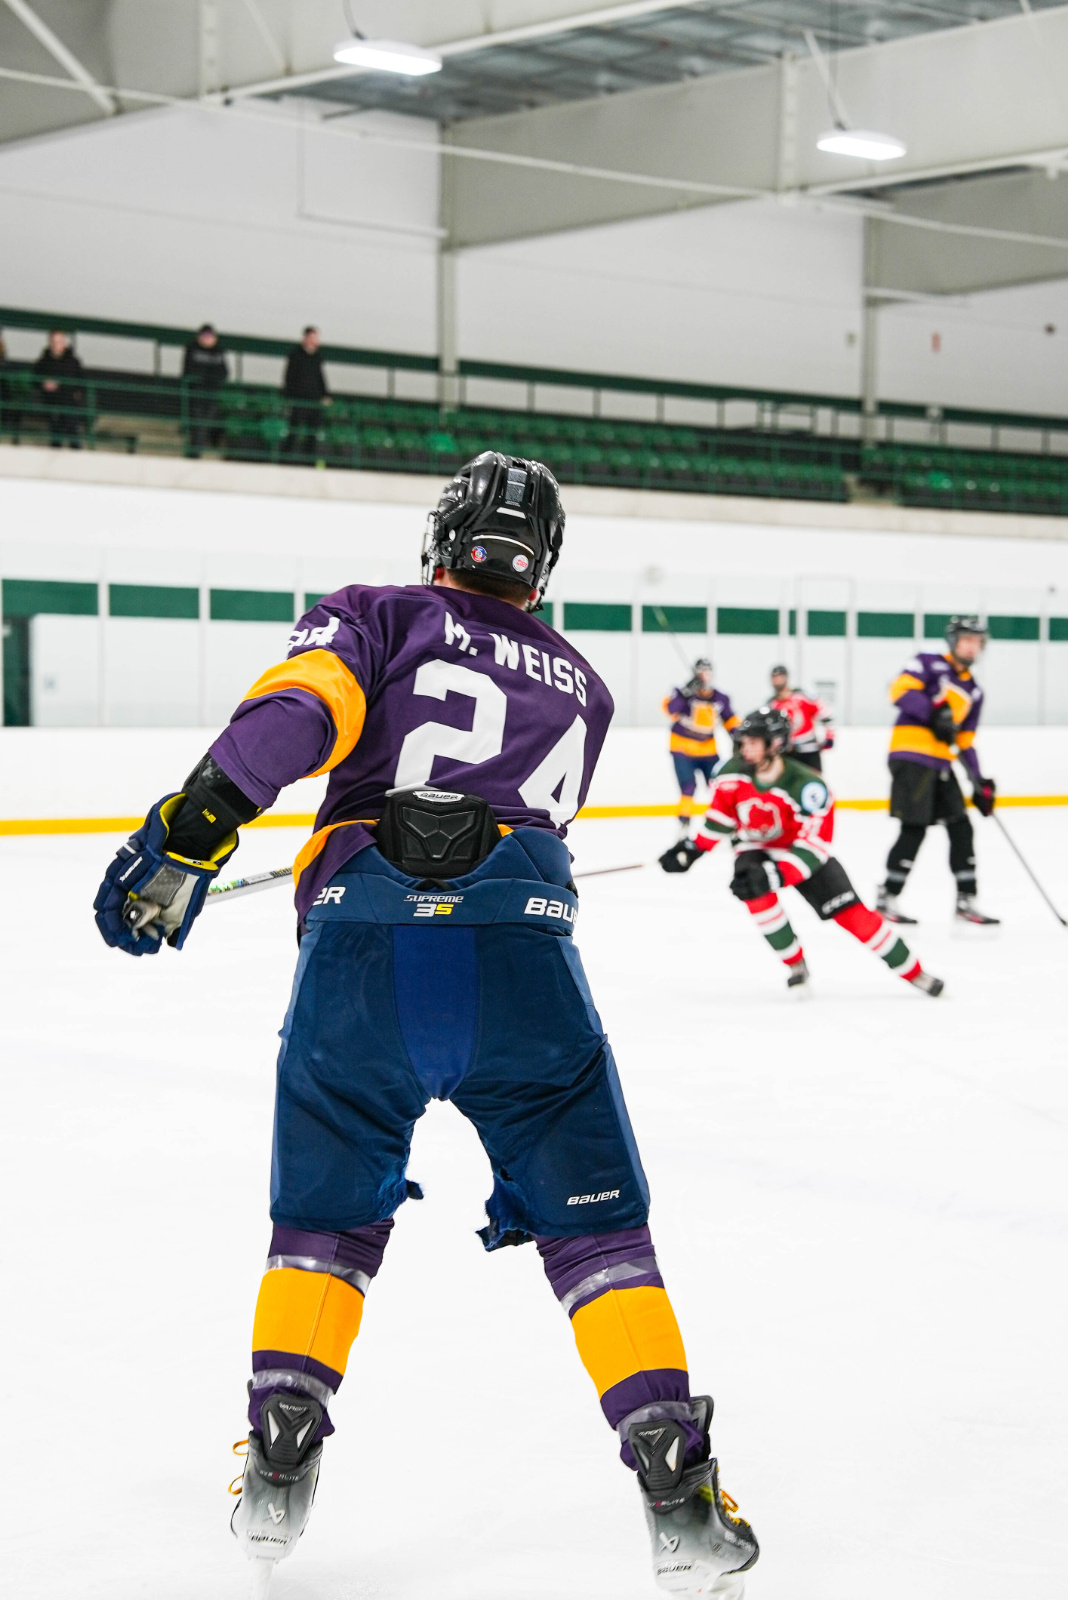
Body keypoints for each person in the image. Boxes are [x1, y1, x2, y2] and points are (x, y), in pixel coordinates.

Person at [93, 452, 759, 1599]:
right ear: (542, 568)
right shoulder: (586, 684)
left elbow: (302, 712)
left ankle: (280, 1456)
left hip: (363, 962)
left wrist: (198, 825)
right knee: (600, 1237)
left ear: (443, 538)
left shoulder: (380, 614)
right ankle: (677, 1489)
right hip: (527, 967)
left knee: (324, 1222)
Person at [660, 707, 944, 998]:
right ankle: (796, 965)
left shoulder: (808, 786)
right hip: (754, 848)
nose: (745, 748)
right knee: (753, 891)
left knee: (853, 916)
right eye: (743, 742)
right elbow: (722, 818)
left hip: (801, 853)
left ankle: (915, 972)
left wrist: (778, 874)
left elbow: (815, 845)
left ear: (775, 744)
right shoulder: (730, 774)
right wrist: (693, 848)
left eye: (753, 742)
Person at [877, 616, 998, 926]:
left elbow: (965, 741)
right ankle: (887, 896)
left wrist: (978, 781)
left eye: (977, 642)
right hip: (911, 756)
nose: (971, 647)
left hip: (941, 763)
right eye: (966, 640)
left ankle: (966, 900)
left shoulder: (974, 691)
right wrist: (933, 712)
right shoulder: (928, 662)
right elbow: (900, 690)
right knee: (914, 826)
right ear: (953, 640)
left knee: (961, 826)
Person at [663, 658, 739, 837]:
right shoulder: (682, 693)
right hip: (683, 749)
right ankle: (684, 823)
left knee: (720, 784)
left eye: (707, 672)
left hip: (708, 751)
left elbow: (730, 720)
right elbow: (670, 709)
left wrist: (741, 738)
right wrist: (684, 693)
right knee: (688, 786)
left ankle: (726, 820)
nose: (704, 676)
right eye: (701, 672)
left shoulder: (720, 698)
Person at [767, 664, 833, 772]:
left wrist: (829, 736)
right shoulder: (772, 704)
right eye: (774, 677)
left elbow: (823, 711)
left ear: (786, 677)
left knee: (813, 779)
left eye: (779, 676)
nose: (777, 680)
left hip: (809, 749)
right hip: (787, 752)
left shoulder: (801, 696)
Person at [283, 325, 329, 464]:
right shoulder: (295, 355)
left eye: (316, 338)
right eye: (311, 338)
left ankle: (309, 461)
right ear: (305, 338)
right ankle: (286, 460)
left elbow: (320, 378)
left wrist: (325, 395)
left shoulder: (317, 357)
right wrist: (290, 396)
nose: (314, 341)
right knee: (294, 430)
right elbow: (289, 377)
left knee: (312, 433)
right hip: (299, 400)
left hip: (314, 401)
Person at [182, 322, 228, 456]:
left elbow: (224, 373)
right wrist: (206, 377)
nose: (207, 339)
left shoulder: (219, 351)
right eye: (205, 336)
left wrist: (208, 377)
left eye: (210, 336)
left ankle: (199, 450)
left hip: (212, 394)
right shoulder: (192, 348)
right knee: (198, 422)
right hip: (196, 394)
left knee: (208, 422)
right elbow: (189, 371)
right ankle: (195, 451)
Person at [34, 329, 85, 448]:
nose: (57, 344)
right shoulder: (43, 362)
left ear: (64, 343)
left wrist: (75, 394)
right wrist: (44, 384)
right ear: (49, 342)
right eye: (54, 341)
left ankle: (76, 454)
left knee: (73, 433)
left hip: (70, 404)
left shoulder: (73, 362)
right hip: (51, 404)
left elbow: (81, 381)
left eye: (60, 341)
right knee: (56, 435)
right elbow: (35, 379)